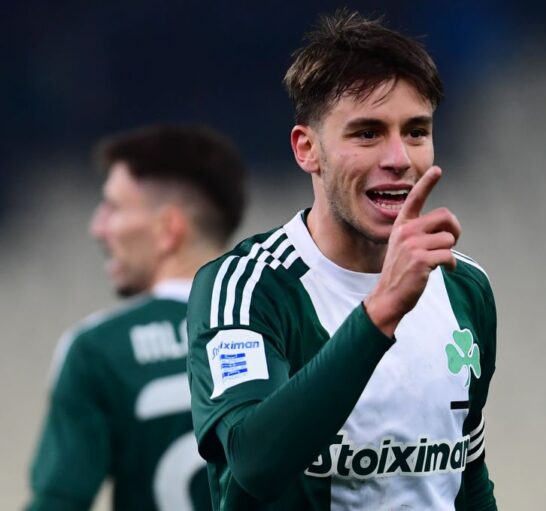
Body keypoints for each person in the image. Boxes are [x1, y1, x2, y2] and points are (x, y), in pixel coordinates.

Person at [186, 10, 497, 510]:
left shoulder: (465, 286)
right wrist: (379, 314)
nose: (399, 158)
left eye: (416, 131)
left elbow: (469, 476)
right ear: (307, 149)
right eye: (367, 133)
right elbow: (251, 464)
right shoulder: (249, 288)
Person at [27, 124, 247, 511]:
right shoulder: (292, 325)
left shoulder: (96, 349)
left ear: (168, 229)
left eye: (113, 207)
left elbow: (58, 502)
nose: (97, 227)